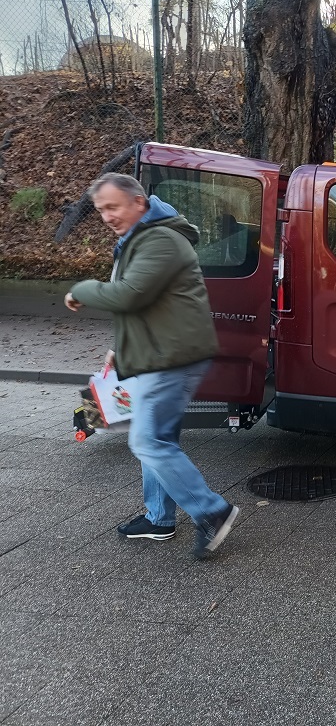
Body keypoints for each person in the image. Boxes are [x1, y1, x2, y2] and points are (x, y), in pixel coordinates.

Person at [64, 173, 239, 559]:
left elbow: (129, 295)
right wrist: (120, 349)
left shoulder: (160, 239)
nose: (107, 216)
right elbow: (146, 306)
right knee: (159, 440)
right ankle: (159, 519)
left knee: (146, 440)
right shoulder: (140, 239)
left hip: (172, 359)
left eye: (113, 207)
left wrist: (81, 289)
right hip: (158, 354)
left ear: (139, 203)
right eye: (101, 210)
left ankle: (213, 511)